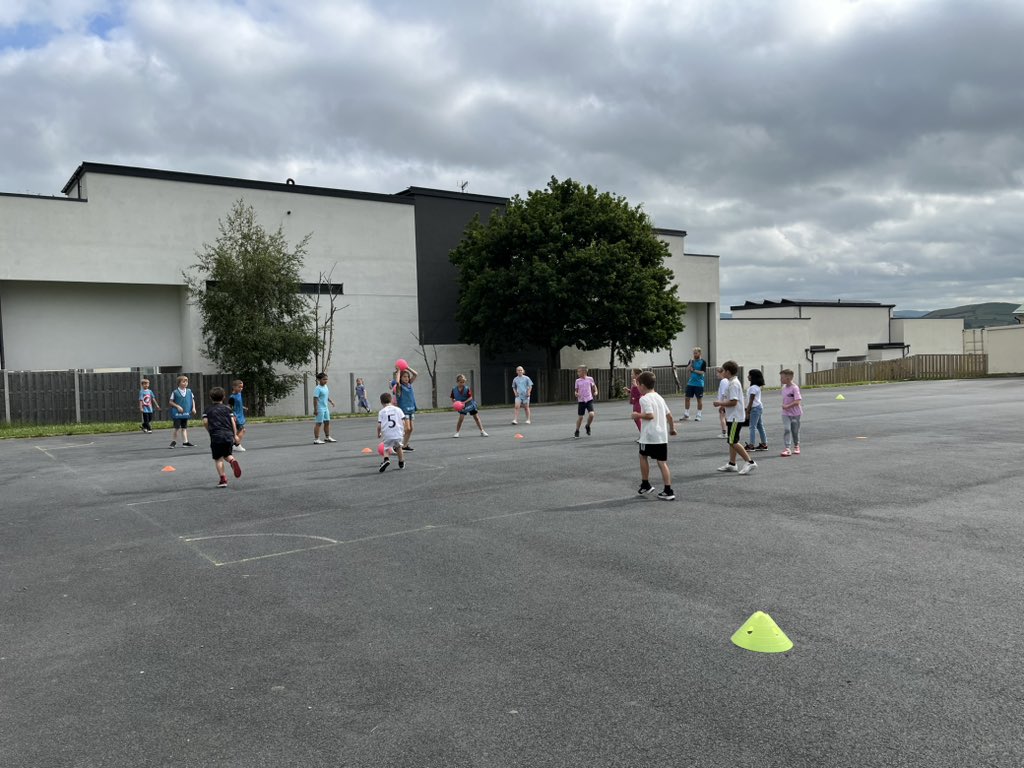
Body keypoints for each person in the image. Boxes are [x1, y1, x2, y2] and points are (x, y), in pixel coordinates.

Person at [633, 371, 678, 500]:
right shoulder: (659, 397)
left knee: (642, 456)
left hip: (649, 436)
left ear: (642, 385)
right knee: (662, 462)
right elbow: (669, 415)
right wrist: (672, 429)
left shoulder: (644, 398)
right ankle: (668, 490)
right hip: (662, 436)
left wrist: (637, 415)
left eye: (638, 384)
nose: (637, 387)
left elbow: (650, 415)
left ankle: (646, 484)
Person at [713, 360, 757, 475]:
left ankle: (750, 461)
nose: (722, 373)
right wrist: (723, 406)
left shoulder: (733, 384)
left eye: (723, 371)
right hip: (733, 416)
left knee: (732, 440)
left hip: (735, 417)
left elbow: (733, 402)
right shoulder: (732, 382)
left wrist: (720, 403)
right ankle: (732, 464)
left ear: (728, 371)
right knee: (732, 440)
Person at [202, 386, 242, 488]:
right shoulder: (228, 409)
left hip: (216, 436)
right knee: (227, 454)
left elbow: (205, 421)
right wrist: (235, 435)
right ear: (223, 397)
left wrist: (209, 430)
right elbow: (233, 421)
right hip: (228, 435)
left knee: (218, 458)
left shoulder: (208, 409)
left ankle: (223, 479)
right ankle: (232, 461)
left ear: (211, 397)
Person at [377, 392, 406, 472]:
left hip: (387, 434)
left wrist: (378, 433)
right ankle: (401, 462)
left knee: (386, 448)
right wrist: (403, 430)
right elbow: (403, 422)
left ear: (381, 402)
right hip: (398, 433)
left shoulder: (381, 412)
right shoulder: (398, 409)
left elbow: (379, 425)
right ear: (392, 400)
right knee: (398, 447)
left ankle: (386, 459)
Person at [391, 365, 419, 450]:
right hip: (404, 410)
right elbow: (397, 382)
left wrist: (407, 367)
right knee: (407, 428)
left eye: (407, 377)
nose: (406, 378)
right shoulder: (400, 387)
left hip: (411, 409)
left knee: (411, 429)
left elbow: (415, 374)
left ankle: (405, 445)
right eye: (404, 377)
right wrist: (399, 371)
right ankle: (397, 445)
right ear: (401, 378)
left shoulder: (409, 385)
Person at [779, 369, 803, 457]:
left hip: (795, 414)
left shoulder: (795, 388)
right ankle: (787, 448)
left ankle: (796, 445)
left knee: (795, 431)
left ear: (788, 378)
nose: (780, 379)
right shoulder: (783, 388)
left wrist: (787, 406)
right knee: (787, 429)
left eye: (782, 378)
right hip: (785, 414)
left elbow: (797, 401)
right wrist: (785, 407)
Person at [743, 369, 768, 452]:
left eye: (749, 375)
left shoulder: (753, 388)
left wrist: (747, 410)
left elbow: (751, 400)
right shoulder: (756, 387)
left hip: (754, 408)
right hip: (758, 407)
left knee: (752, 427)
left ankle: (751, 445)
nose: (748, 376)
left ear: (753, 377)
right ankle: (764, 444)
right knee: (760, 426)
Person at [169, 375, 196, 448]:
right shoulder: (175, 392)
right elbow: (170, 402)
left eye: (186, 381)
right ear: (179, 383)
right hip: (177, 414)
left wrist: (193, 408)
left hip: (186, 412)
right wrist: (177, 406)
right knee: (177, 428)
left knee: (184, 428)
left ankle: (185, 442)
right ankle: (173, 442)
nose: (186, 383)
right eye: (184, 381)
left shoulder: (189, 391)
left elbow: (192, 400)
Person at [682, 347, 707, 421]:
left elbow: (702, 372)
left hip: (699, 384)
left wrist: (694, 370)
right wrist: (691, 363)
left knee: (699, 400)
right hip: (690, 383)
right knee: (687, 398)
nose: (694, 354)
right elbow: (687, 369)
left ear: (699, 353)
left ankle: (698, 415)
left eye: (696, 353)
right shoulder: (691, 361)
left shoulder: (703, 362)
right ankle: (686, 414)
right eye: (694, 353)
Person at [312, 372, 337, 444]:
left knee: (327, 422)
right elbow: (315, 399)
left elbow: (326, 396)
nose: (326, 381)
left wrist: (331, 401)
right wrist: (315, 409)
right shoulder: (317, 388)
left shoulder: (326, 386)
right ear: (319, 380)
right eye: (324, 379)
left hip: (325, 408)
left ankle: (327, 437)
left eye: (326, 379)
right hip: (320, 408)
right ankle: (316, 439)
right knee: (319, 423)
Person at [573, 365, 597, 438]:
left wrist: (596, 391)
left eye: (579, 371)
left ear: (584, 371)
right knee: (580, 417)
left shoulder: (590, 379)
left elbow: (594, 386)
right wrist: (576, 394)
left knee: (592, 414)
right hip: (581, 401)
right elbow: (576, 391)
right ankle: (577, 430)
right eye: (578, 371)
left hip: (589, 399)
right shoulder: (577, 381)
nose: (578, 373)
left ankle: (587, 426)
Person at [227, 379, 247, 451]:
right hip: (236, 416)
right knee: (242, 430)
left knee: (241, 430)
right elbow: (229, 407)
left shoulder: (239, 394)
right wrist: (233, 416)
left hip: (240, 415)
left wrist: (243, 407)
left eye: (242, 387)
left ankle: (233, 444)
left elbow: (238, 404)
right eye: (239, 387)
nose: (241, 389)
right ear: (234, 387)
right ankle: (236, 445)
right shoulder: (232, 397)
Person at [715, 366, 729, 438]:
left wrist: (722, 404)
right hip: (725, 402)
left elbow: (724, 393)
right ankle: (727, 431)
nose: (717, 374)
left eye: (717, 373)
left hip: (724, 402)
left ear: (721, 373)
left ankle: (724, 433)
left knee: (722, 417)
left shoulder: (723, 381)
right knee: (726, 417)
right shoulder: (726, 380)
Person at [629, 368, 643, 433]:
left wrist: (635, 386)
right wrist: (629, 391)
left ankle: (643, 434)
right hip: (635, 402)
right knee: (636, 419)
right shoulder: (636, 382)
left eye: (632, 374)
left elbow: (640, 393)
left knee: (637, 418)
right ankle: (642, 433)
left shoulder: (640, 383)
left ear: (637, 375)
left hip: (639, 403)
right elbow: (634, 392)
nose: (631, 375)